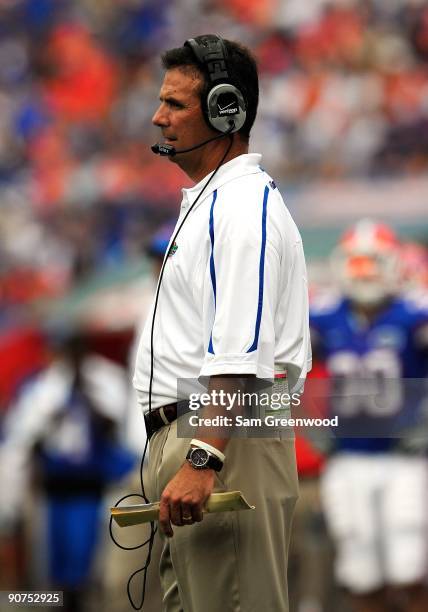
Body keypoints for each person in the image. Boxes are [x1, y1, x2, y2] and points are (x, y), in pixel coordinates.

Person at [133, 34, 311, 611]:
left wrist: (205, 455)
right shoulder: (213, 202)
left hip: (226, 438)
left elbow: (239, 350)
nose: (158, 118)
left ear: (226, 111)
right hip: (196, 434)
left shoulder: (242, 205)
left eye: (176, 105)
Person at [310, 219, 428, 612]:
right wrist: (310, 427)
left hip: (405, 459)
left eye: (374, 261)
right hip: (347, 458)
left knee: (409, 566)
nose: (365, 272)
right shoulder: (324, 315)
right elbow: (281, 373)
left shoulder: (415, 314)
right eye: (357, 262)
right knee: (359, 573)